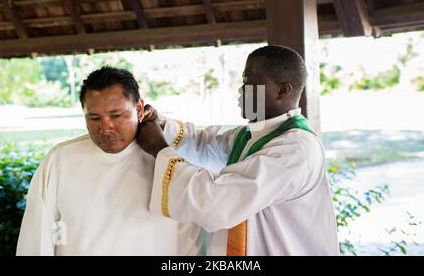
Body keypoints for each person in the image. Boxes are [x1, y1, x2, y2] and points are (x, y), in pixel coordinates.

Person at [137, 45, 339, 256]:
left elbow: (217, 203)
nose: (242, 90)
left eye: (249, 81)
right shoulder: (254, 134)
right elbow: (204, 144)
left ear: (282, 90)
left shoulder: (295, 149)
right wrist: (162, 125)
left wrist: (159, 149)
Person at [16, 67, 202, 255]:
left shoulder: (170, 161)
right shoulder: (60, 160)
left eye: (116, 116)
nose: (105, 129)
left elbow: (188, 242)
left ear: (138, 109)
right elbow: (37, 237)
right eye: (95, 118)